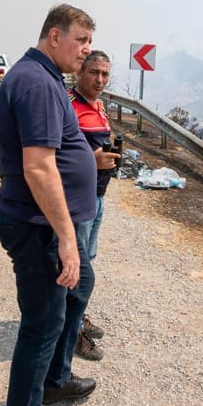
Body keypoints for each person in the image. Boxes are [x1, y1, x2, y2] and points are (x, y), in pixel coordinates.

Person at [0, 4, 98, 406]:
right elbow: (38, 168)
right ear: (54, 36)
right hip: (37, 225)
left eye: (90, 43)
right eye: (81, 41)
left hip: (45, 223)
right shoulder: (36, 82)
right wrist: (68, 238)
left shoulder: (47, 77)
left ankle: (55, 378)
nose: (87, 52)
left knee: (80, 288)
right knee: (41, 323)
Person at [67, 50, 118, 361]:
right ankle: (72, 334)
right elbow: (58, 155)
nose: (100, 79)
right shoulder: (70, 106)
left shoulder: (99, 106)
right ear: (80, 73)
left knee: (89, 259)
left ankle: (77, 318)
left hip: (98, 197)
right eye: (94, 73)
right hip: (78, 201)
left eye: (105, 74)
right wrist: (93, 160)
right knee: (77, 271)